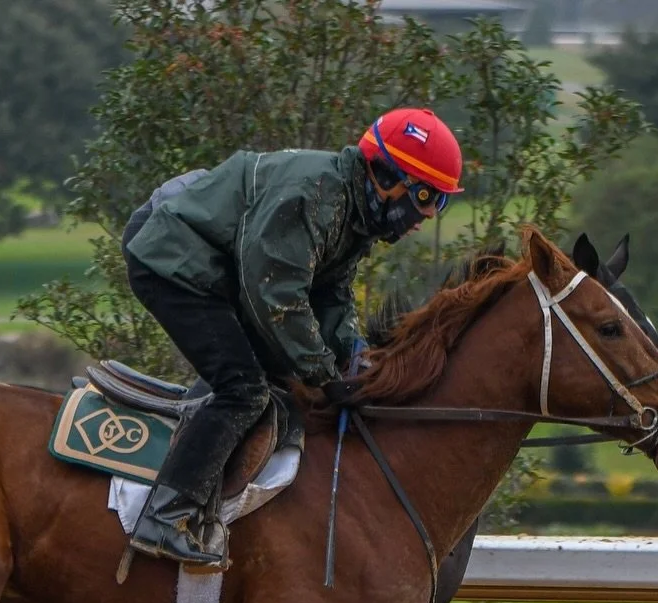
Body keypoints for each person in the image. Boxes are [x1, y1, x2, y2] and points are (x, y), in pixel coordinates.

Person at [120, 107, 464, 567]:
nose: (426, 215)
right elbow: (277, 299)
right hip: (169, 257)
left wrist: (355, 357)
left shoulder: (354, 212)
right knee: (244, 389)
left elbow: (331, 296)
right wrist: (325, 374)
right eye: (426, 196)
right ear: (386, 177)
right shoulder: (316, 195)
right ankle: (163, 516)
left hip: (218, 264)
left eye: (439, 203)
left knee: (267, 371)